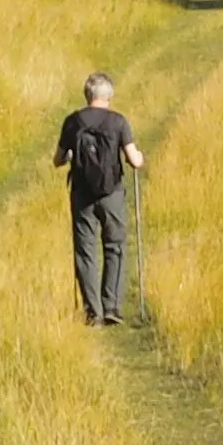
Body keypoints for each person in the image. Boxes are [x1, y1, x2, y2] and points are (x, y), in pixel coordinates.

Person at [52, 71, 143, 325]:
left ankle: (93, 312)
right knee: (115, 246)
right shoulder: (118, 122)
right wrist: (140, 158)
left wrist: (70, 158)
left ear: (87, 94)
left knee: (86, 251)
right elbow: (134, 160)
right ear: (109, 96)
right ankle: (112, 305)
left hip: (82, 194)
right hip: (111, 193)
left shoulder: (73, 122)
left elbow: (57, 159)